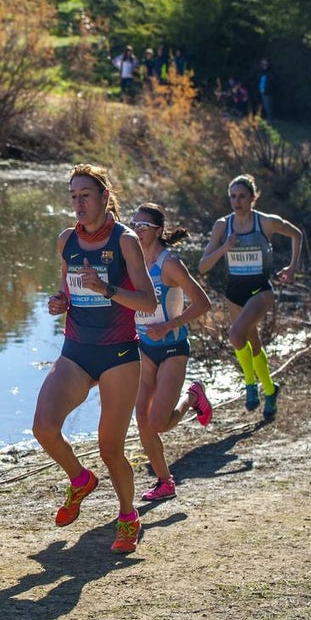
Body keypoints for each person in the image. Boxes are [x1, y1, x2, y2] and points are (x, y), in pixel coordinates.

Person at [32, 164, 157, 554]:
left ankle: (127, 516)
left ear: (105, 197)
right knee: (43, 427)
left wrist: (107, 288)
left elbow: (148, 302)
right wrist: (58, 302)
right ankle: (80, 479)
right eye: (73, 196)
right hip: (76, 350)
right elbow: (65, 288)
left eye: (85, 195)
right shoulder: (66, 240)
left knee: (110, 447)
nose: (78, 203)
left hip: (118, 353)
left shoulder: (125, 240)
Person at [198, 174, 303, 421]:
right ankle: (270, 390)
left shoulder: (265, 223)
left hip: (261, 291)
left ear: (253, 198)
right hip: (235, 294)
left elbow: (296, 234)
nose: (237, 201)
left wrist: (292, 267)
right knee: (253, 343)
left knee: (235, 335)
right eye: (233, 196)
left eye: (242, 196)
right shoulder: (223, 226)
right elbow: (203, 266)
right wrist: (225, 247)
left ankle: (249, 385)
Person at [130, 203, 213, 502]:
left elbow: (203, 304)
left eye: (143, 226)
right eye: (134, 225)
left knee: (158, 423)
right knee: (141, 416)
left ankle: (193, 396)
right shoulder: (132, 262)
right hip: (143, 347)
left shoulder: (170, 265)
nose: (137, 230)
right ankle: (165, 481)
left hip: (173, 348)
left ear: (158, 231)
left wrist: (169, 326)